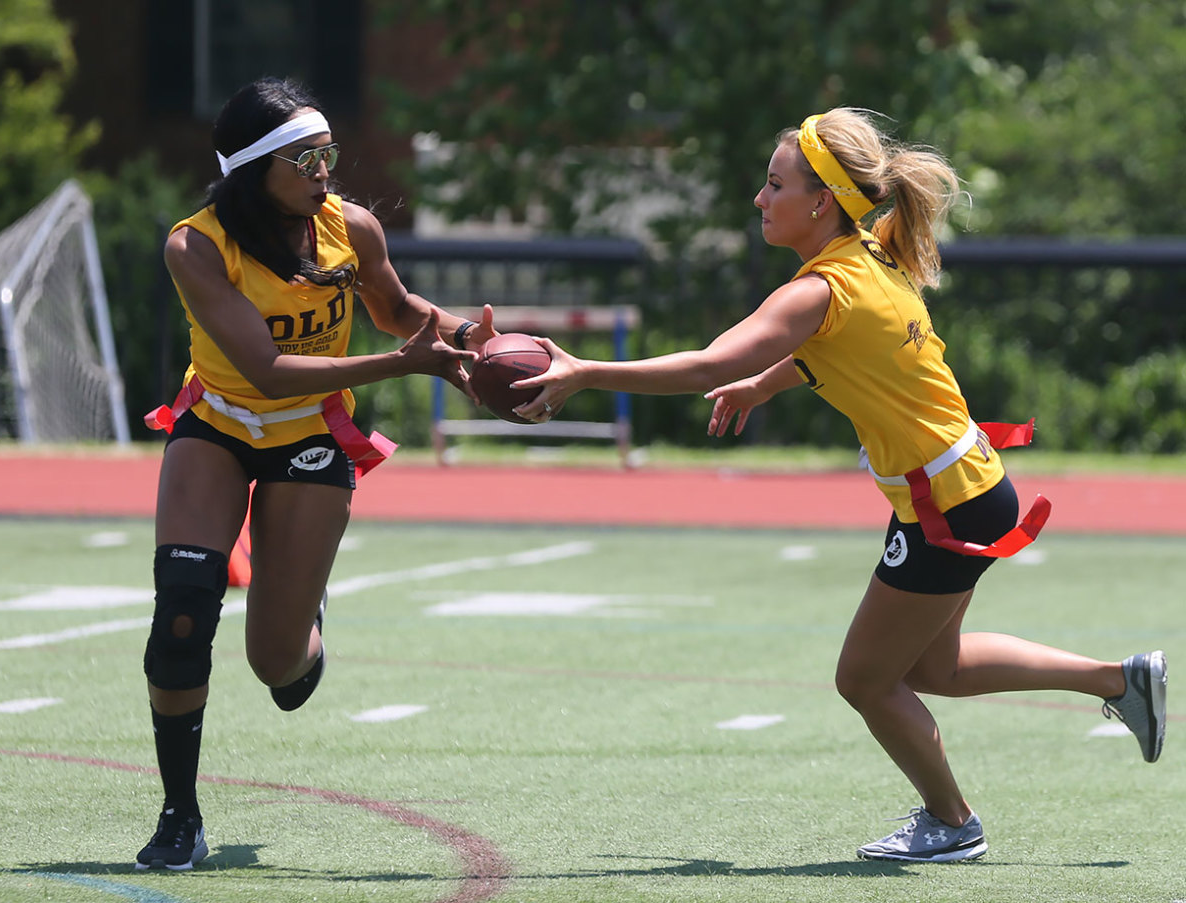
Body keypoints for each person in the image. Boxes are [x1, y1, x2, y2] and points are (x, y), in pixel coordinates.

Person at [513, 107, 1167, 862]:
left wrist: (586, 372)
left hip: (948, 505)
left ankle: (953, 823)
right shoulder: (871, 253)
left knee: (863, 679)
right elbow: (843, 347)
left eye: (774, 184)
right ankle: (1119, 681)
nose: (760, 198)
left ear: (822, 201)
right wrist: (765, 384)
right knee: (935, 667)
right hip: (966, 487)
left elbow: (710, 362)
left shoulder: (819, 288)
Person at [135, 77, 498, 871]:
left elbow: (397, 312)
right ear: (252, 168)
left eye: (327, 152)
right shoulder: (196, 246)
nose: (324, 169)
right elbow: (265, 371)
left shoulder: (349, 227)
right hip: (219, 424)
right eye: (304, 158)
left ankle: (306, 618)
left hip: (310, 436)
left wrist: (476, 340)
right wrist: (401, 365)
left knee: (279, 668)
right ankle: (179, 814)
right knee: (182, 615)